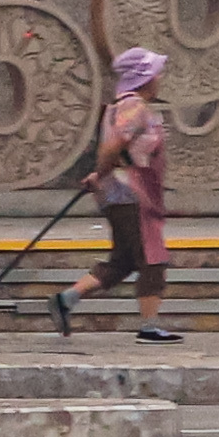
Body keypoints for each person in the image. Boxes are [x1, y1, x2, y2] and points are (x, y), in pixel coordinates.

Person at [56, 46, 182, 343]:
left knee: (124, 260)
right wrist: (101, 172)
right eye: (156, 74)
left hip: (125, 194)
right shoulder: (133, 107)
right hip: (132, 194)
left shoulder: (122, 106)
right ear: (145, 78)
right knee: (153, 259)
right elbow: (114, 146)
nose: (159, 79)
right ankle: (149, 327)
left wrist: (101, 174)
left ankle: (66, 300)